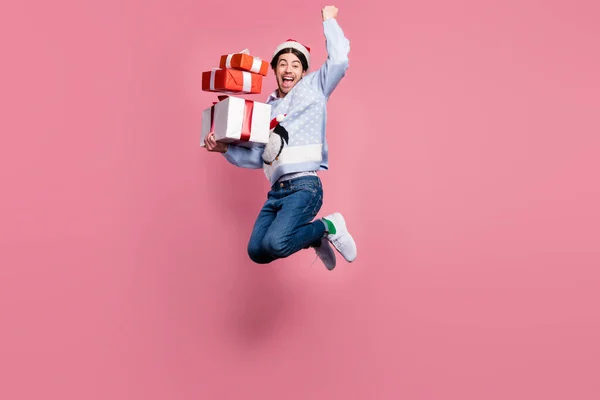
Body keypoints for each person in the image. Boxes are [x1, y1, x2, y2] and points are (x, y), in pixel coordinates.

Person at [203, 5, 356, 270]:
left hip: (304, 186)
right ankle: (313, 237)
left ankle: (328, 226)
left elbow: (340, 61)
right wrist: (224, 149)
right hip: (277, 192)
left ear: (304, 71)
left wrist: (329, 22)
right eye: (282, 63)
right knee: (256, 251)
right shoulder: (266, 110)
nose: (288, 69)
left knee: (275, 243)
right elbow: (257, 155)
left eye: (295, 65)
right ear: (274, 69)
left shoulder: (314, 88)